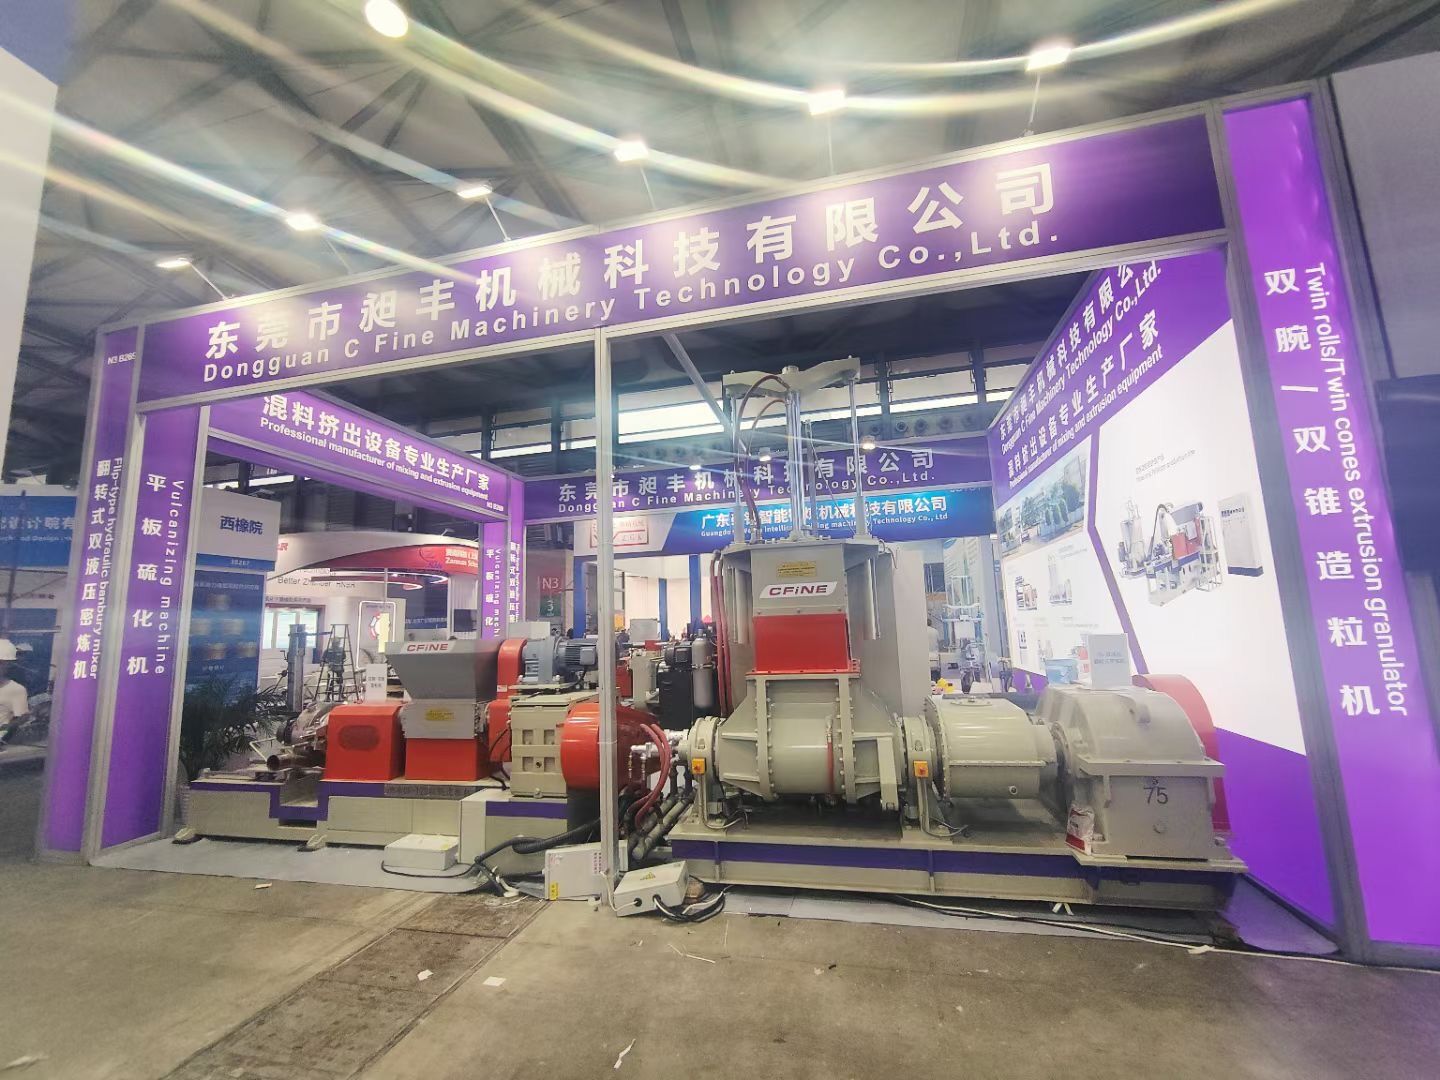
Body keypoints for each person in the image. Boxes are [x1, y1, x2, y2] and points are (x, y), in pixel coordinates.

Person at [0, 640, 30, 750]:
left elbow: (22, 718)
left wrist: (7, 729)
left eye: (1, 663)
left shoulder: (16, 690)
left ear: (8, 665)